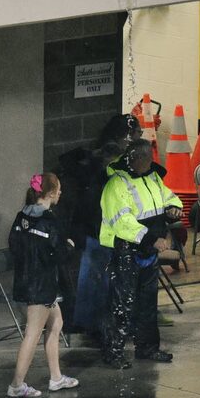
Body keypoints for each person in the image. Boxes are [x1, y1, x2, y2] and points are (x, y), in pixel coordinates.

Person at [56, 115, 141, 339]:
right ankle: (100, 329)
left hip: (104, 231)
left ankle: (105, 326)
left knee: (104, 283)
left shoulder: (104, 171)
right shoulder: (102, 173)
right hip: (100, 231)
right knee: (100, 284)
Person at [100, 139, 181, 369]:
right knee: (122, 304)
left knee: (147, 303)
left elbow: (168, 196)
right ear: (135, 159)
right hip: (126, 250)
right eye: (145, 158)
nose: (149, 161)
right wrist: (150, 239)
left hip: (148, 251)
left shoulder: (153, 177)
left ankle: (147, 348)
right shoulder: (117, 184)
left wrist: (173, 209)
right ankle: (113, 352)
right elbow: (122, 222)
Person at [6, 173, 79, 398]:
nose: (60, 193)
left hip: (25, 281)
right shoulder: (49, 220)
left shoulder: (21, 218)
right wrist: (68, 246)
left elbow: (14, 246)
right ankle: (16, 385)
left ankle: (56, 378)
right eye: (58, 189)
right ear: (48, 193)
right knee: (33, 334)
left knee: (56, 322)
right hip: (41, 285)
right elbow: (57, 254)